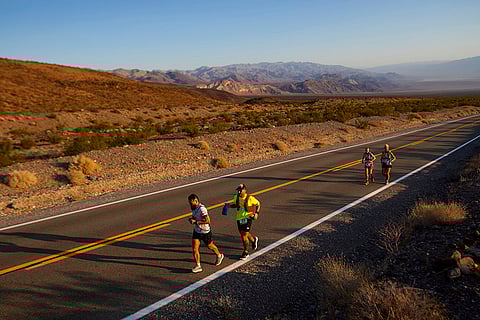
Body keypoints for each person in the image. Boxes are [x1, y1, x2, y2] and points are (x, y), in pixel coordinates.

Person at [188, 194, 224, 273]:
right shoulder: (193, 208)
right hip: (197, 231)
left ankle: (219, 255)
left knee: (210, 246)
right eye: (189, 203)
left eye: (191, 202)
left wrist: (196, 222)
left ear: (196, 201)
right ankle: (198, 265)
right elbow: (195, 217)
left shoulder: (202, 209)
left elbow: (208, 221)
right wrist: (192, 219)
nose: (190, 204)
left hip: (205, 231)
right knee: (195, 249)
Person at [229, 184, 260, 260]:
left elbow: (258, 204)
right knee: (243, 233)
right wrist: (229, 206)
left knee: (244, 235)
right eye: (238, 190)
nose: (239, 192)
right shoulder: (236, 197)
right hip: (239, 217)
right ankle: (253, 240)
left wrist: (256, 213)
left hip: (248, 216)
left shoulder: (250, 198)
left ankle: (246, 252)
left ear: (245, 190)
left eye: (240, 190)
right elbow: (236, 205)